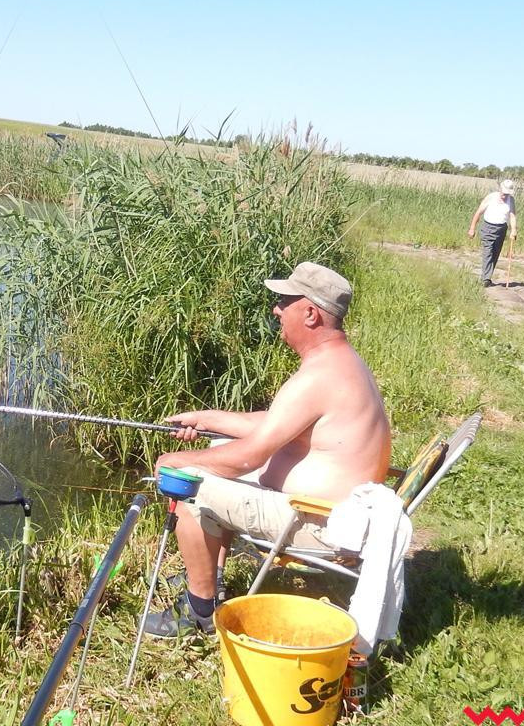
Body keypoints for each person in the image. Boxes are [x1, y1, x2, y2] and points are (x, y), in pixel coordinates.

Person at [143, 262, 392, 636]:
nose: (277, 309)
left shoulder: (320, 375)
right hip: (330, 513)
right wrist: (206, 419)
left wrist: (176, 461)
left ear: (310, 314)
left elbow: (250, 456)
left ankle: (199, 611)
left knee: (188, 482)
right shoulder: (340, 363)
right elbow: (274, 423)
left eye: (285, 302)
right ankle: (208, 573)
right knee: (218, 448)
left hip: (319, 523)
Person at [468, 179, 518, 287]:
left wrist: (513, 230)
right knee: (488, 252)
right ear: (500, 189)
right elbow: (478, 212)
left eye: (507, 194)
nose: (505, 196)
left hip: (501, 229)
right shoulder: (491, 197)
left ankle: (487, 277)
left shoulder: (511, 200)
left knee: (495, 254)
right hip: (488, 227)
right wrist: (472, 228)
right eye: (504, 193)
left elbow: (512, 216)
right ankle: (485, 279)